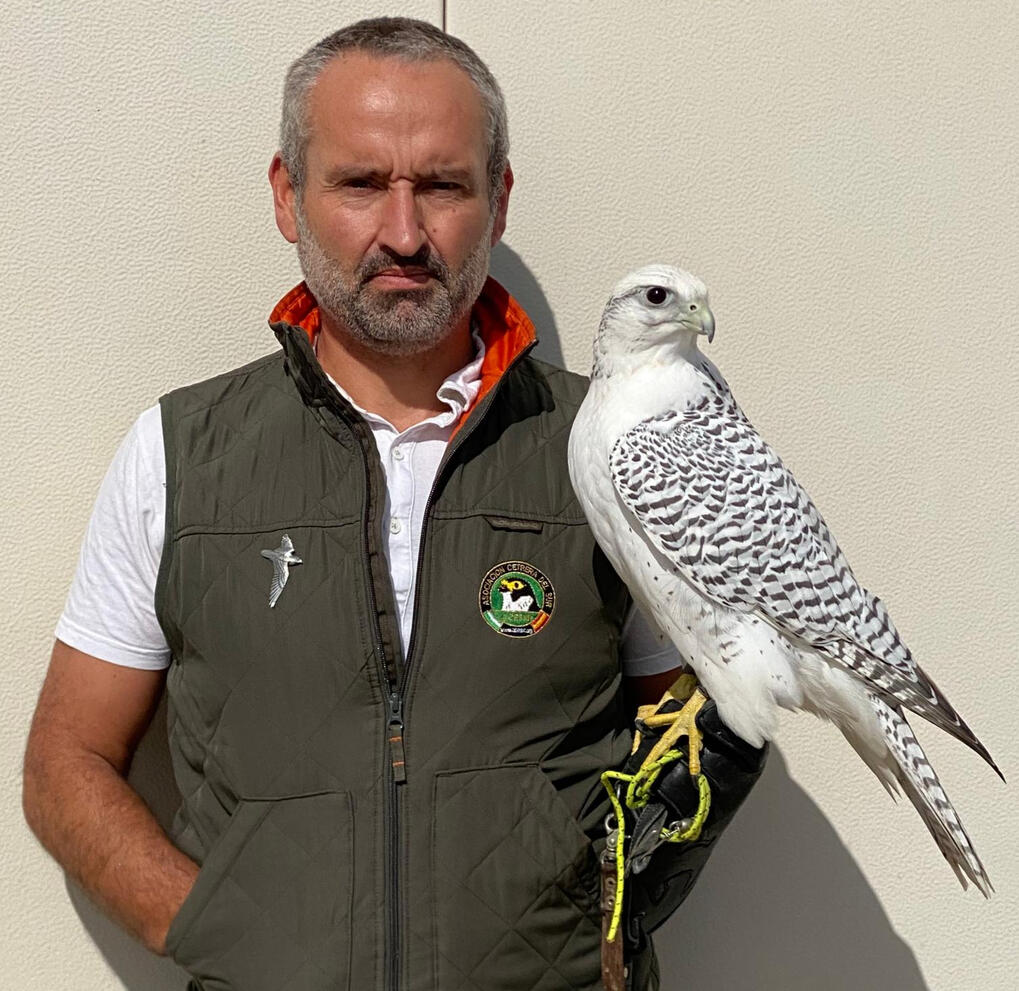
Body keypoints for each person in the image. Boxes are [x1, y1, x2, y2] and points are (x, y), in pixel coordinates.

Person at [23, 17, 762, 991]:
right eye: (361, 183)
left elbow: (701, 724)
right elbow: (66, 759)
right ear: (288, 195)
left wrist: (609, 917)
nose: (404, 234)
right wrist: (201, 921)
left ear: (498, 200)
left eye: (443, 186)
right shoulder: (179, 454)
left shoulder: (609, 451)